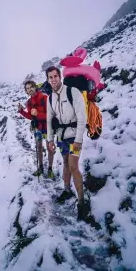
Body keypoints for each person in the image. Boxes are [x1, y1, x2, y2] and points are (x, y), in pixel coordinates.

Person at [45, 66, 89, 221]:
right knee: (65, 162)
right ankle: (67, 190)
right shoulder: (50, 98)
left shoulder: (72, 92)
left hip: (74, 136)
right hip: (62, 137)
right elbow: (49, 120)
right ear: (48, 80)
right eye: (50, 77)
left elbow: (82, 117)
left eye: (55, 76)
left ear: (60, 77)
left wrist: (78, 140)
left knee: (73, 166)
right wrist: (50, 139)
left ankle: (82, 202)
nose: (53, 79)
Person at [18, 80, 55, 178]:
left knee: (49, 148)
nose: (29, 89)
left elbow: (51, 115)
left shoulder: (44, 98)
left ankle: (50, 169)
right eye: (27, 88)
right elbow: (31, 116)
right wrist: (22, 111)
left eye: (31, 87)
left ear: (35, 87)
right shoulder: (29, 102)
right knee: (38, 148)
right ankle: (40, 168)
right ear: (26, 91)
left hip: (48, 127)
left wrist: (38, 115)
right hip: (37, 127)